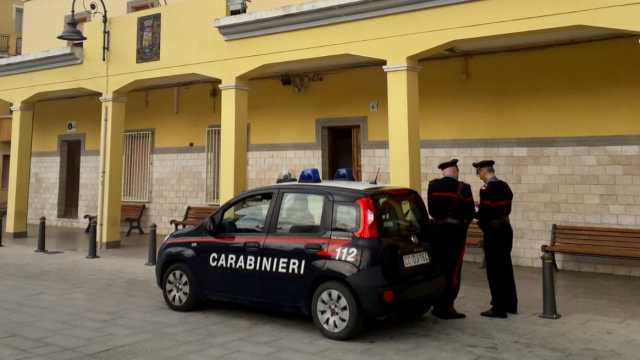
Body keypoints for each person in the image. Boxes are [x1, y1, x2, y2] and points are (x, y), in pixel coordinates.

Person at [427, 159, 475, 319]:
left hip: (437, 234)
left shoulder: (433, 186)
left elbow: (431, 210)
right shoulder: (464, 188)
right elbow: (469, 213)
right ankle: (447, 307)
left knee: (438, 268)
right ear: (455, 171)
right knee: (453, 270)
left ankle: (436, 304)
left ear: (443, 172)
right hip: (455, 234)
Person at [473, 160, 518, 319]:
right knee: (505, 266)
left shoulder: (486, 189)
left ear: (484, 172)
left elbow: (485, 213)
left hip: (493, 231)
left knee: (494, 270)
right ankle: (511, 304)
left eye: (478, 173)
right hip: (506, 229)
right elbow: (503, 208)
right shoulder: (505, 186)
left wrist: (476, 216)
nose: (479, 176)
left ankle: (498, 308)